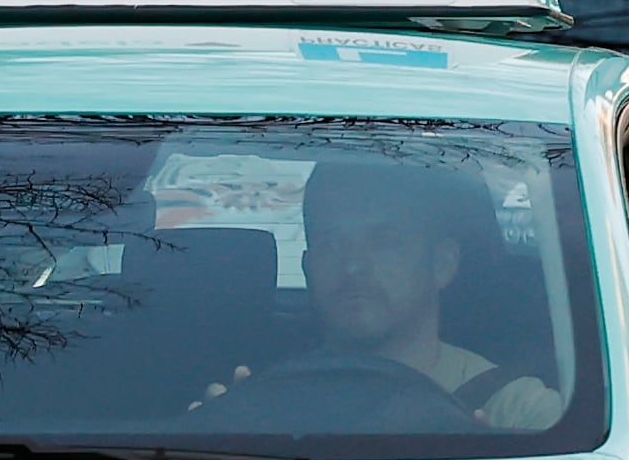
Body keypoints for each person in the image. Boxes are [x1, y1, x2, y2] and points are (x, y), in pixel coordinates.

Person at [195, 160, 564, 430]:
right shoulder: (265, 402)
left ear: (442, 263)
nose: (353, 266)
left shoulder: (520, 413)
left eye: (383, 241)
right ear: (308, 266)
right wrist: (221, 443)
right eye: (331, 242)